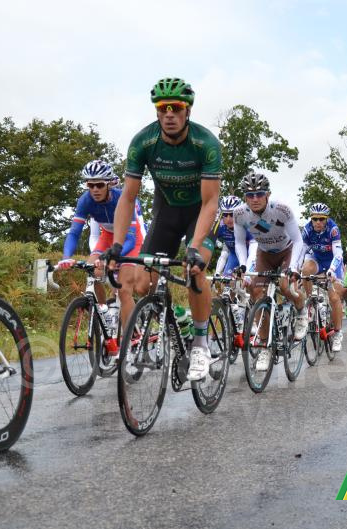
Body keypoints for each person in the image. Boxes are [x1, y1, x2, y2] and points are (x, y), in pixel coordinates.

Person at [109, 77, 221, 382]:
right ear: (157, 112)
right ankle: (181, 320)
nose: (169, 114)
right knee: (144, 283)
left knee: (195, 270)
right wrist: (117, 245)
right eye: (162, 108)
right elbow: (128, 197)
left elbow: (212, 201)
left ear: (187, 111)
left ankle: (200, 343)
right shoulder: (143, 142)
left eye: (176, 108)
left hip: (200, 213)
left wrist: (195, 246)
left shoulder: (205, 143)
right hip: (167, 212)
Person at [58, 160, 144, 353]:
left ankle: (132, 337)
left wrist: (111, 257)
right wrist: (66, 257)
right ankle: (104, 312)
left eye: (99, 185)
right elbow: (74, 233)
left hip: (131, 238)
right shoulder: (85, 200)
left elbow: (129, 238)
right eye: (90, 185)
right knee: (91, 269)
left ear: (109, 184)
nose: (94, 189)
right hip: (108, 236)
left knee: (123, 289)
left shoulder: (122, 198)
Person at [233, 172, 307, 371]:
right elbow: (240, 242)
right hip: (264, 254)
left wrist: (293, 268)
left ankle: (301, 311)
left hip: (287, 251)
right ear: (244, 197)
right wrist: (242, 264)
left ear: (268, 194)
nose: (254, 198)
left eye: (259, 193)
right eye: (250, 195)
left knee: (285, 286)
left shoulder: (282, 210)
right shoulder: (240, 213)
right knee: (257, 294)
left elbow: (299, 240)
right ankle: (265, 346)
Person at [300, 203, 345, 353]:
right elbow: (302, 252)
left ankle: (338, 332)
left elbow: (338, 253)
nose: (318, 222)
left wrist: (332, 270)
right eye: (315, 219)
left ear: (326, 219)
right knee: (305, 269)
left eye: (321, 219)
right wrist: (295, 268)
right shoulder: (307, 230)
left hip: (333, 262)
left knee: (334, 297)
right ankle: (310, 302)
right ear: (311, 219)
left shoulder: (333, 229)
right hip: (317, 261)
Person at [213, 195, 256, 278]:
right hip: (234, 255)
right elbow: (224, 253)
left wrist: (247, 271)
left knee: (248, 280)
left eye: (232, 214)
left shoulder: (248, 225)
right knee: (226, 283)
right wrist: (217, 272)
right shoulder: (221, 227)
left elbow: (254, 250)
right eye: (225, 215)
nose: (228, 219)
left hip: (252, 254)